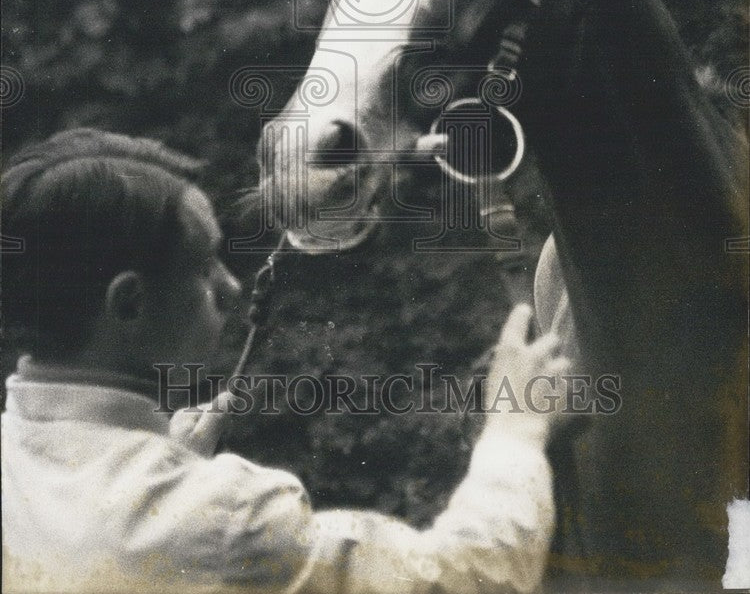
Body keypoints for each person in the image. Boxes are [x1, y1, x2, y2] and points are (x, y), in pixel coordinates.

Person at [2, 127, 571, 594]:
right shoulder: (225, 519)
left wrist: (162, 463)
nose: (230, 287)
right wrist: (514, 431)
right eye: (202, 267)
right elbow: (468, 578)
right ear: (128, 303)